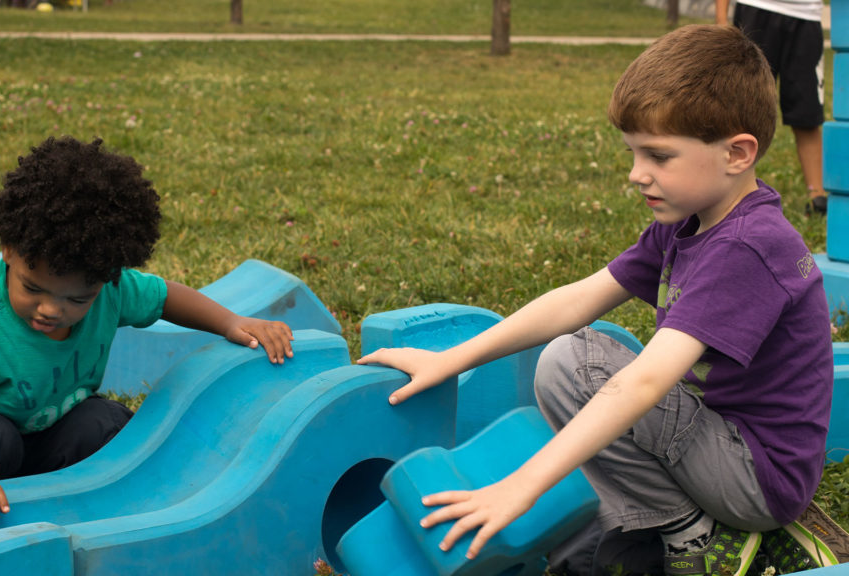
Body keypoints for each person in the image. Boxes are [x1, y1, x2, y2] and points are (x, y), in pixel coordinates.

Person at [359, 25, 838, 575]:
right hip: (716, 446)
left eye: (659, 155)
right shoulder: (691, 222)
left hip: (757, 478)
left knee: (581, 364)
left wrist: (522, 487)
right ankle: (672, 529)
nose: (637, 174)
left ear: (737, 153)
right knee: (566, 359)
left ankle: (701, 539)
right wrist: (451, 360)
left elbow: (645, 383)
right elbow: (579, 300)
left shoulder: (748, 246)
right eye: (633, 152)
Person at [0, 136, 294, 524]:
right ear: (8, 249)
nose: (50, 309)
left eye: (77, 299)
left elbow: (165, 297)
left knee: (103, 419)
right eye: (32, 288)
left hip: (54, 440)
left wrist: (230, 322)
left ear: (106, 279)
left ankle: (98, 505)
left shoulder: (110, 290)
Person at [717, 0, 829, 215]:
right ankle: (726, 191)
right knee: (740, 111)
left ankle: (817, 198)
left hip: (806, 17)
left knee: (807, 114)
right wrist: (721, 19)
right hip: (756, 8)